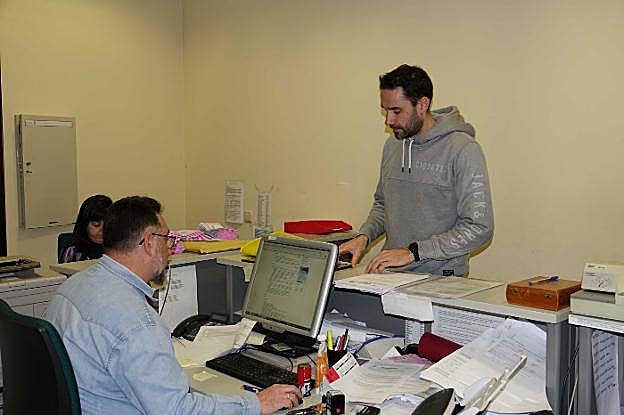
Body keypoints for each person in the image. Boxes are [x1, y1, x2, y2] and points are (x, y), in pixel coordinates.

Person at [45, 196, 301, 415]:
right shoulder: (138, 323)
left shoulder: (72, 287)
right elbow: (176, 410)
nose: (170, 248)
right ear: (148, 242)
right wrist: (255, 403)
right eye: (167, 239)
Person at [340, 64, 493, 276]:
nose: (388, 121)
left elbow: (478, 228)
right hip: (389, 276)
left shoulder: (463, 149)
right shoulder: (393, 145)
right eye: (385, 110)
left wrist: (414, 252)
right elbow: (384, 204)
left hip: (441, 279)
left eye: (396, 111)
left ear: (422, 105)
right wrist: (364, 237)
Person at [60, 194, 112, 263]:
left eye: (107, 225)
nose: (102, 231)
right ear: (84, 225)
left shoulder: (118, 250)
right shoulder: (72, 252)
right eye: (96, 225)